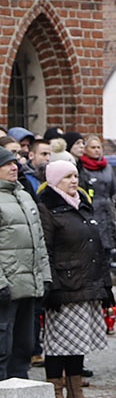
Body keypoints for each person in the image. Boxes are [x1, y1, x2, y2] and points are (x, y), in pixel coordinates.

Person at [39, 161, 112, 398]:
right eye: (68, 177)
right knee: (58, 344)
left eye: (75, 176)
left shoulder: (81, 204)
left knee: (77, 343)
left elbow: (96, 246)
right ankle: (56, 392)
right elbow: (45, 249)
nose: (74, 180)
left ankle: (75, 391)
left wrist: (105, 284)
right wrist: (52, 286)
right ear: (55, 180)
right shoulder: (47, 207)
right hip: (64, 284)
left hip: (86, 282)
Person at [0, 147, 50, 381]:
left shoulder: (24, 195)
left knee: (24, 344)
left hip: (28, 285)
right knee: (3, 345)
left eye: (14, 163)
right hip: (6, 287)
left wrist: (45, 277)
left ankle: (21, 395)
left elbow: (39, 241)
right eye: (7, 164)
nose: (14, 167)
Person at [78, 135, 116, 266]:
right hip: (92, 209)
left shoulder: (107, 167)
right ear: (85, 149)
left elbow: (114, 188)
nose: (96, 150)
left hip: (108, 210)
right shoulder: (82, 168)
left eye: (98, 147)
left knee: (110, 241)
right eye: (93, 147)